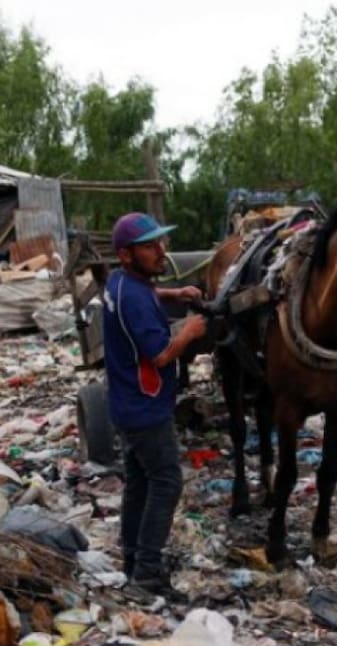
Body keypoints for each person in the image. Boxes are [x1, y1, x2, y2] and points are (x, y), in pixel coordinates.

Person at [103, 212, 206, 603]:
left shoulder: (121, 282)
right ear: (127, 254)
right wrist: (189, 331)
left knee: (140, 483)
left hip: (126, 404)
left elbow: (142, 296)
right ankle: (146, 574)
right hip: (146, 408)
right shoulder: (135, 297)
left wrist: (174, 294)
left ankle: (132, 563)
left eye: (161, 242)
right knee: (167, 482)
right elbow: (162, 356)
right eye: (151, 246)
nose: (161, 250)